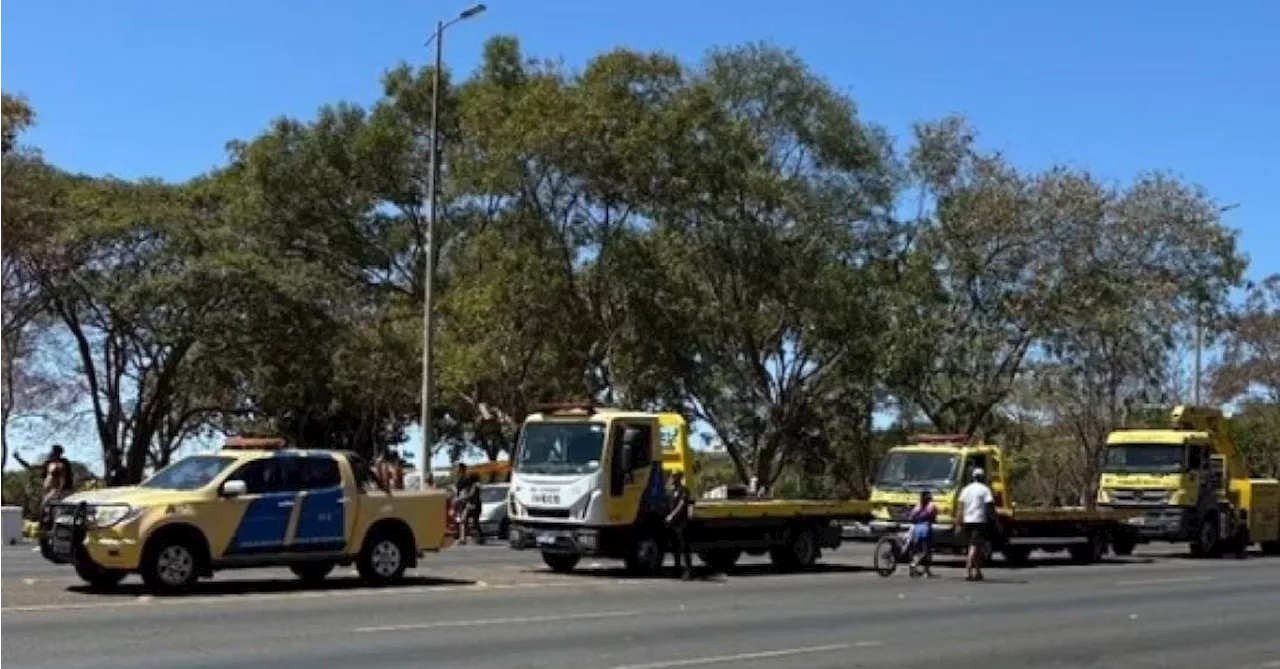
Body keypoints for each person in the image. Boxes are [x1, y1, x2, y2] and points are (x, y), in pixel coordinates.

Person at [957, 468, 995, 582]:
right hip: (979, 521)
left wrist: (958, 522)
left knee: (976, 547)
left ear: (973, 477)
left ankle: (978, 571)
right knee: (974, 546)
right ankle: (968, 570)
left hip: (967, 521)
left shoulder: (965, 490)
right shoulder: (985, 490)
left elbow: (960, 507)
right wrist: (994, 521)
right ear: (982, 477)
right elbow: (990, 507)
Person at [15, 445, 74, 510]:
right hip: (48, 491)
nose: (51, 453)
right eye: (51, 452)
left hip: (57, 491)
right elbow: (31, 467)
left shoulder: (61, 465)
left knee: (46, 506)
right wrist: (19, 459)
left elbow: (63, 479)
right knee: (45, 508)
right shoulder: (48, 463)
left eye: (53, 452)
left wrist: (58, 492)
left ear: (58, 454)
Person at [666, 471, 694, 580]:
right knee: (675, 548)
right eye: (671, 476)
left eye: (674, 476)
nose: (672, 478)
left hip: (682, 524)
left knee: (684, 548)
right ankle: (677, 569)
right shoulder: (672, 491)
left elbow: (681, 505)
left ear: (679, 478)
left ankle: (688, 571)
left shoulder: (684, 490)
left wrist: (672, 515)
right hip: (673, 524)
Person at [907, 490, 938, 578]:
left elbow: (911, 517)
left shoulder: (917, 507)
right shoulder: (931, 506)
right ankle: (918, 566)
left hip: (917, 530)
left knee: (918, 550)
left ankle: (917, 567)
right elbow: (934, 517)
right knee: (927, 551)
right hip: (926, 529)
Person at [454, 463, 481, 544]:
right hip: (463, 503)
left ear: (462, 469)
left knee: (468, 521)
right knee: (464, 521)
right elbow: (461, 491)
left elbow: (469, 493)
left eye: (457, 468)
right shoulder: (460, 479)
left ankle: (467, 538)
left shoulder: (467, 479)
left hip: (469, 503)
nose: (456, 470)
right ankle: (464, 538)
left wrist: (459, 498)